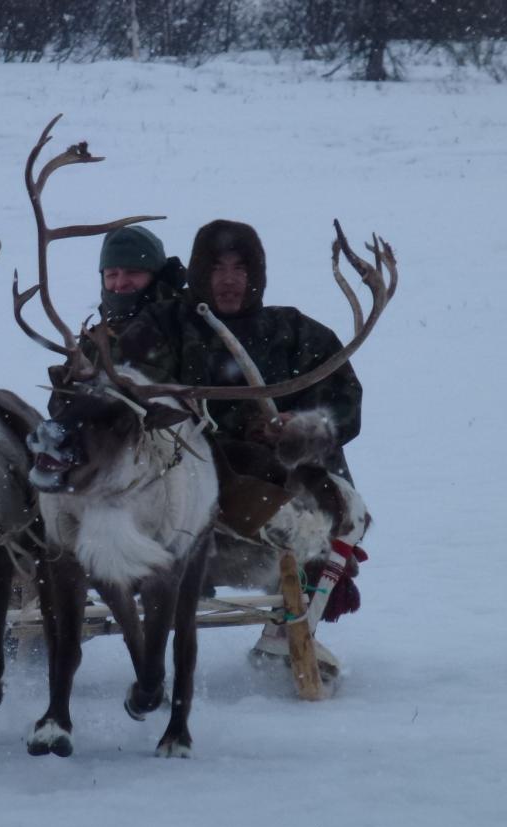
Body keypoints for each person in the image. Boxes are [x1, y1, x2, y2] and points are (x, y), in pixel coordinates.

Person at [116, 219, 365, 626]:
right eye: (216, 268)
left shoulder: (294, 332)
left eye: (240, 268)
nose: (229, 281)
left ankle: (288, 630)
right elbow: (135, 394)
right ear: (199, 273)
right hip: (182, 495)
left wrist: (297, 426)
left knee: (334, 490)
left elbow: (343, 401)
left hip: (276, 490)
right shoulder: (162, 326)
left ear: (257, 274)